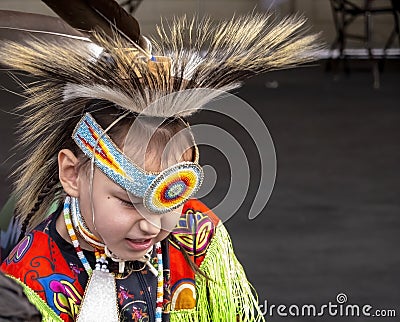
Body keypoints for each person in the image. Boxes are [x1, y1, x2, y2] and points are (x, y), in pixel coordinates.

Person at [0, 1, 320, 321]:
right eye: (129, 201)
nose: (152, 225)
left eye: (171, 196)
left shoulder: (196, 234)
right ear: (72, 174)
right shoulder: (30, 280)